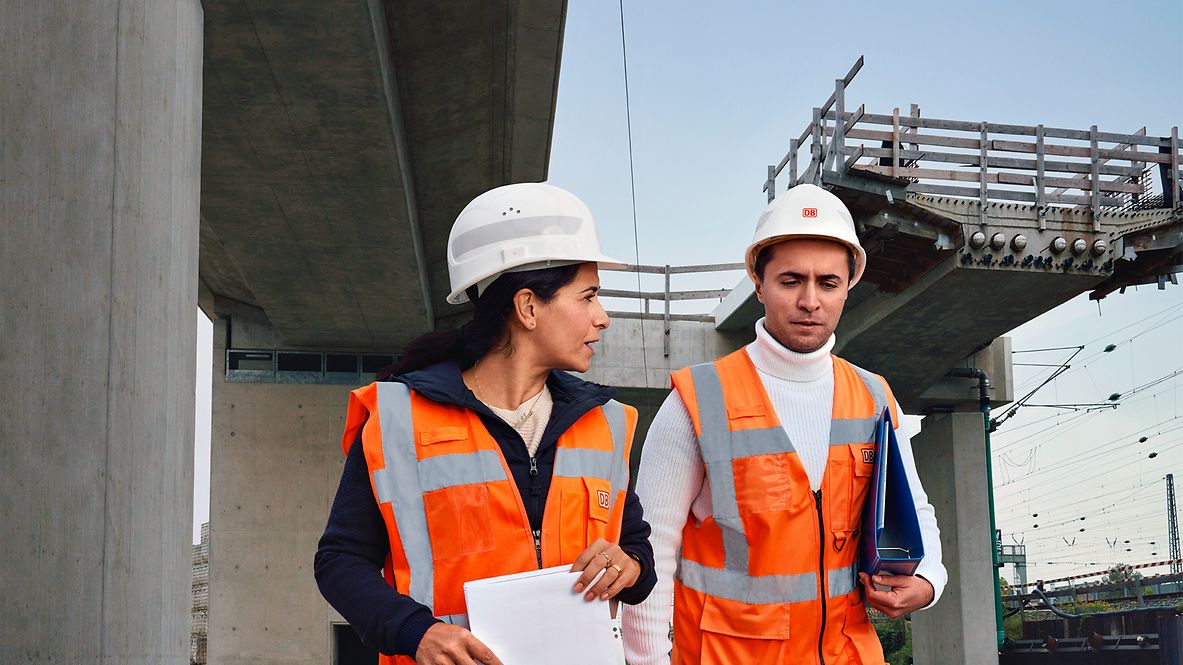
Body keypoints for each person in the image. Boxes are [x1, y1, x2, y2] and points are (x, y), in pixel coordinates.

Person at [315, 182, 657, 665]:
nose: (602, 318)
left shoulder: (606, 423)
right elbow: (340, 562)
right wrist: (416, 633)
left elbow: (636, 549)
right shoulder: (398, 421)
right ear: (528, 307)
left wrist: (630, 566)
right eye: (588, 297)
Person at [622, 183, 947, 664]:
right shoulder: (696, 402)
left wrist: (929, 581)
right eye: (791, 280)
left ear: (848, 287)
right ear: (758, 281)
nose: (810, 301)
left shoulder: (874, 397)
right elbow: (651, 556)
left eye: (828, 283)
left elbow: (914, 508)